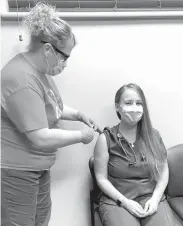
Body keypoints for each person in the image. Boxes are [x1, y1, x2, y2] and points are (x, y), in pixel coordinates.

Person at [1, 3, 102, 226]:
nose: (66, 63)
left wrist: (77, 114)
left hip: (38, 166)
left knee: (40, 220)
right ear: (48, 50)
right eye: (65, 57)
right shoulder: (20, 79)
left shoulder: (39, 71)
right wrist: (80, 136)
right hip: (18, 170)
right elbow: (39, 135)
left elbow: (49, 106)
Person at [94, 83, 177, 226]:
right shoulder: (105, 139)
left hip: (150, 197)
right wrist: (124, 202)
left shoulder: (154, 135)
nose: (134, 108)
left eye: (139, 103)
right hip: (117, 201)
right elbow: (101, 178)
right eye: (128, 103)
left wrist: (155, 199)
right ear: (117, 107)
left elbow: (163, 170)